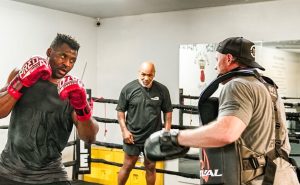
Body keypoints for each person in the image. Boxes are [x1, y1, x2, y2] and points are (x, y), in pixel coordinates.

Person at [144, 37, 299, 185]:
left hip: (258, 180)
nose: (215, 66)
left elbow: (226, 132)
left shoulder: (237, 85)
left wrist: (176, 138)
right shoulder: (268, 86)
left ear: (229, 58)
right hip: (284, 176)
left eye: (217, 59)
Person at [0, 33, 99, 185]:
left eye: (72, 60)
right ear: (49, 52)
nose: (67, 63)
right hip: (8, 170)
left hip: (50, 174)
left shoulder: (73, 92)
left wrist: (82, 108)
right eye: (63, 56)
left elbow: (89, 138)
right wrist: (21, 81)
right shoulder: (20, 73)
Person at [116, 61, 173, 185]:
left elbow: (168, 112)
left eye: (150, 75)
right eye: (143, 74)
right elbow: (120, 111)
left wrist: (167, 132)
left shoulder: (162, 90)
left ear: (154, 74)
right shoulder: (128, 89)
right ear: (138, 73)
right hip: (133, 136)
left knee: (151, 166)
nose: (146, 78)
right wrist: (124, 131)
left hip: (153, 137)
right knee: (128, 165)